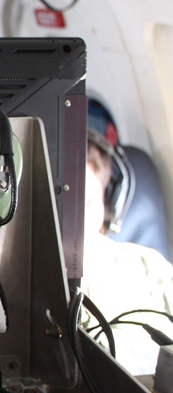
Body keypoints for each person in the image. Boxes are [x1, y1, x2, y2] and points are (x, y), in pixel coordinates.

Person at [81, 120, 173, 376]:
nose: (75, 217)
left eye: (86, 202)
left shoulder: (147, 266)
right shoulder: (31, 268)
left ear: (108, 205)